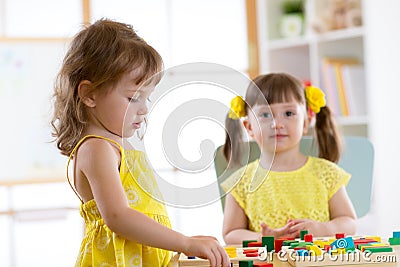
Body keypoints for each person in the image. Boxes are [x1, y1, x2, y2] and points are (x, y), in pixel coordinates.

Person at [51, 19, 230, 267]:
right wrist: (185, 243)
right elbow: (119, 217)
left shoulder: (119, 145)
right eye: (133, 98)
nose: (144, 109)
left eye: (146, 98)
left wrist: (183, 241)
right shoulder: (96, 147)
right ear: (89, 94)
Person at [221, 73, 357, 244]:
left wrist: (323, 229)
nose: (277, 123)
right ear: (249, 127)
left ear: (306, 122)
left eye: (288, 113)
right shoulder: (241, 182)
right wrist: (262, 238)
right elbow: (231, 233)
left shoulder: (326, 174)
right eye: (265, 115)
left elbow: (349, 221)